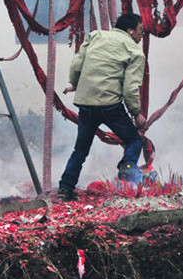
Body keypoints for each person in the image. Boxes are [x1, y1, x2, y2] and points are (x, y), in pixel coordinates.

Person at [57, 13, 148, 201]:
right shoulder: (135, 51)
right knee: (134, 141)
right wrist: (136, 113)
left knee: (80, 150)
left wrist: (75, 83)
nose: (142, 35)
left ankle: (65, 189)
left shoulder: (96, 36)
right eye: (141, 30)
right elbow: (130, 88)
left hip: (86, 103)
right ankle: (127, 171)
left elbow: (77, 65)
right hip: (110, 106)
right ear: (130, 31)